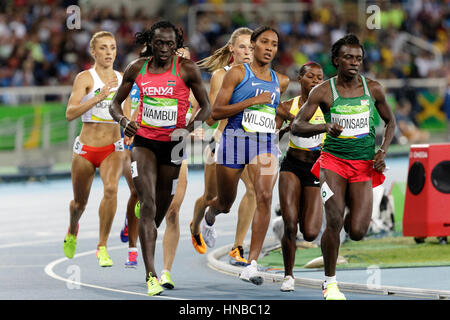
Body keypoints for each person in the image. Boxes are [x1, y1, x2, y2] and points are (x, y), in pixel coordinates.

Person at [291, 34, 396, 300]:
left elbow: (391, 123)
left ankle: (350, 204)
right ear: (336, 60)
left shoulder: (373, 88)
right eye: (348, 57)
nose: (354, 62)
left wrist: (382, 151)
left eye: (359, 58)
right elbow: (297, 126)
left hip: (363, 166)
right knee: (334, 220)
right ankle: (330, 282)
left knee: (358, 232)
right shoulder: (323, 91)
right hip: (332, 163)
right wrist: (325, 126)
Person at [109, 21, 210, 296]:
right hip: (143, 142)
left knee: (162, 209)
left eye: (169, 44)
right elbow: (114, 104)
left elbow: (207, 105)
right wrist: (123, 120)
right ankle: (151, 275)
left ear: (176, 44)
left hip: (174, 146)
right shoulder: (136, 67)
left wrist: (188, 128)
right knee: (149, 204)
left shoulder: (187, 69)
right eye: (159, 43)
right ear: (150, 43)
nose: (164, 49)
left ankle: (147, 224)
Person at [202, 26, 290, 285]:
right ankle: (210, 214)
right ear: (254, 45)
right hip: (234, 142)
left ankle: (250, 264)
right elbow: (215, 112)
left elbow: (272, 113)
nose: (270, 47)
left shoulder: (280, 80)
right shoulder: (237, 74)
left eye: (274, 43)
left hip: (263, 145)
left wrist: (283, 124)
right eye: (264, 42)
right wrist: (250, 102)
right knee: (225, 203)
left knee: (264, 195)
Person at [63, 31, 131, 267]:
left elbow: (127, 116)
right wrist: (98, 96)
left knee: (111, 189)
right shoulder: (85, 78)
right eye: (103, 48)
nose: (109, 52)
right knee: (79, 203)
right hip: (85, 149)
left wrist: (132, 133)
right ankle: (73, 228)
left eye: (112, 47)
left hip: (112, 148)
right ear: (93, 52)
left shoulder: (123, 79)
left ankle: (102, 246)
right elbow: (70, 113)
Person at [191, 27, 256, 266]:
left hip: (250, 142)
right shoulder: (221, 75)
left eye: (251, 47)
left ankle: (237, 248)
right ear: (232, 49)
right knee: (211, 196)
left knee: (254, 190)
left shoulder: (263, 75)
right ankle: (197, 224)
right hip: (222, 141)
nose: (248, 51)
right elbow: (212, 116)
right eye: (243, 46)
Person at [275, 62, 325, 292]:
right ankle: (288, 276)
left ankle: (294, 213)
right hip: (292, 166)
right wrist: (280, 130)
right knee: (290, 225)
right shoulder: (287, 106)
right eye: (310, 77)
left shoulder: (328, 108)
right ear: (300, 79)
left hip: (316, 169)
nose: (315, 81)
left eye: (319, 78)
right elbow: (271, 135)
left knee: (311, 232)